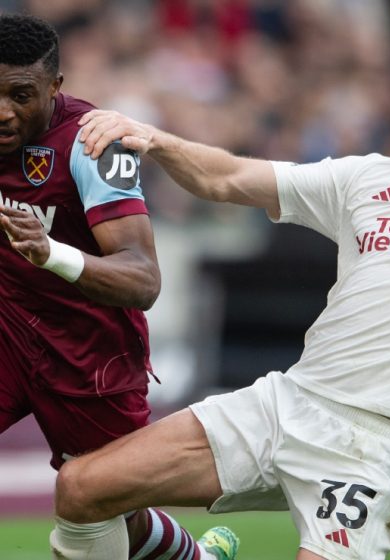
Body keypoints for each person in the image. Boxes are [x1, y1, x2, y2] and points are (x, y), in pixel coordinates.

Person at [53, 31, 390, 560]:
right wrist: (153, 138)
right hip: (290, 403)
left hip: (374, 446)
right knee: (81, 488)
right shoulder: (368, 177)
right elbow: (229, 178)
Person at [0, 13, 238, 560]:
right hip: (9, 333)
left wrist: (51, 253)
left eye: (20, 95)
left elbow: (143, 278)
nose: (3, 111)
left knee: (104, 508)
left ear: (55, 87)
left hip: (89, 353)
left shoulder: (94, 144)